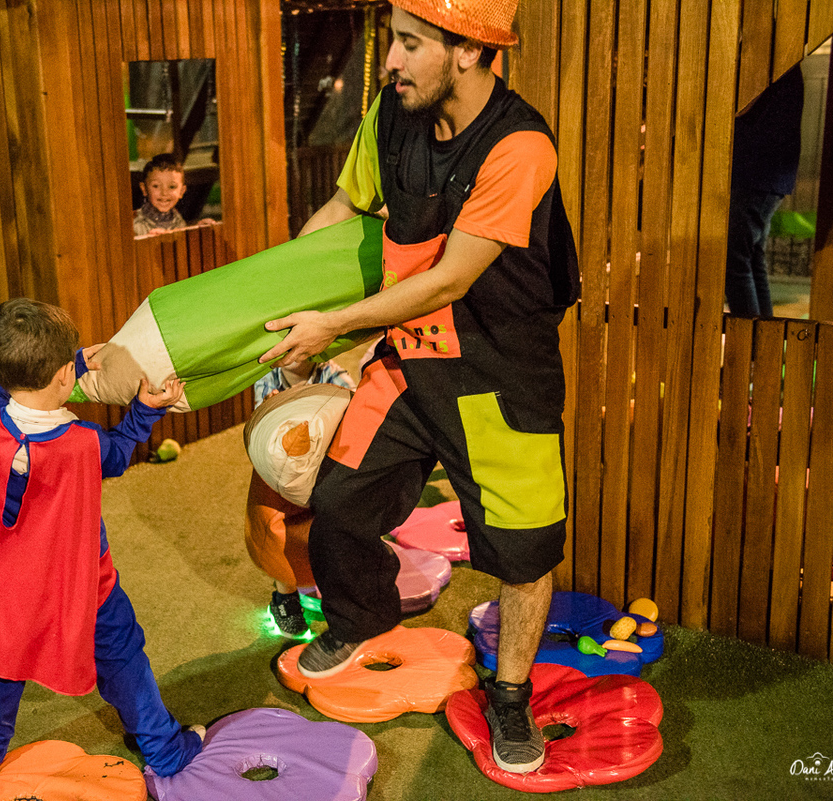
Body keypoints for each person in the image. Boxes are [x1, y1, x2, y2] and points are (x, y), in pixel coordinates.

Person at [259, 0, 579, 775]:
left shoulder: (521, 146)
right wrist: (275, 304)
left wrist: (333, 326)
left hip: (498, 377)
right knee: (338, 500)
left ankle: (510, 695)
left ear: (468, 51)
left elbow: (451, 278)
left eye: (409, 43)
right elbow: (342, 207)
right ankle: (359, 617)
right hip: (409, 361)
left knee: (523, 552)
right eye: (392, 41)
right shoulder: (391, 114)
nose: (391, 62)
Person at [0, 298, 202, 782]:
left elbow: (3, 388)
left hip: (4, 586)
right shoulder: (82, 443)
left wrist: (70, 363)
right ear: (62, 377)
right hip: (83, 584)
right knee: (121, 655)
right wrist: (144, 411)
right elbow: (117, 455)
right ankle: (165, 750)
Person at [249, 359, 356, 639]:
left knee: (334, 530)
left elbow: (354, 405)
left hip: (326, 464)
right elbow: (261, 426)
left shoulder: (332, 373)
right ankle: (284, 597)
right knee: (279, 535)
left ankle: (338, 592)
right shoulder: (267, 379)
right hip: (282, 471)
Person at [726, 64, 804, 317]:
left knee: (734, 261)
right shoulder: (785, 64)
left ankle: (747, 336)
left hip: (756, 170)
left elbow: (740, 106)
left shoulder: (771, 61)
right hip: (765, 172)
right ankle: (761, 336)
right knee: (750, 258)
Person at [134, 153, 189, 236]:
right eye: (156, 186)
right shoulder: (134, 224)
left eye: (172, 187)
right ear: (144, 189)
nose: (164, 193)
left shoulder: (179, 222)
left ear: (181, 191)